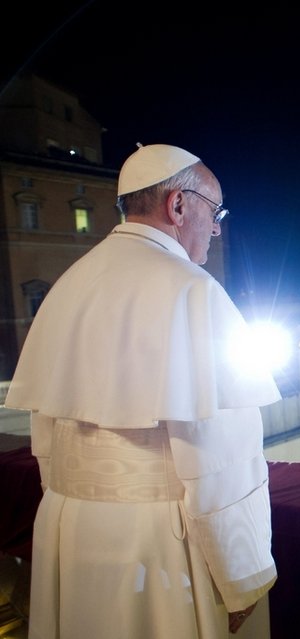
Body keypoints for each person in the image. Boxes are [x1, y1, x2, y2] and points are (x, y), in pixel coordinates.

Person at [3, 143, 282, 638]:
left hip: (69, 532)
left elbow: (45, 436)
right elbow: (222, 462)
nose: (217, 228)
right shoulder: (194, 291)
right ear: (178, 205)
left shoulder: (68, 283)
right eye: (213, 212)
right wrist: (242, 577)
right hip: (158, 549)